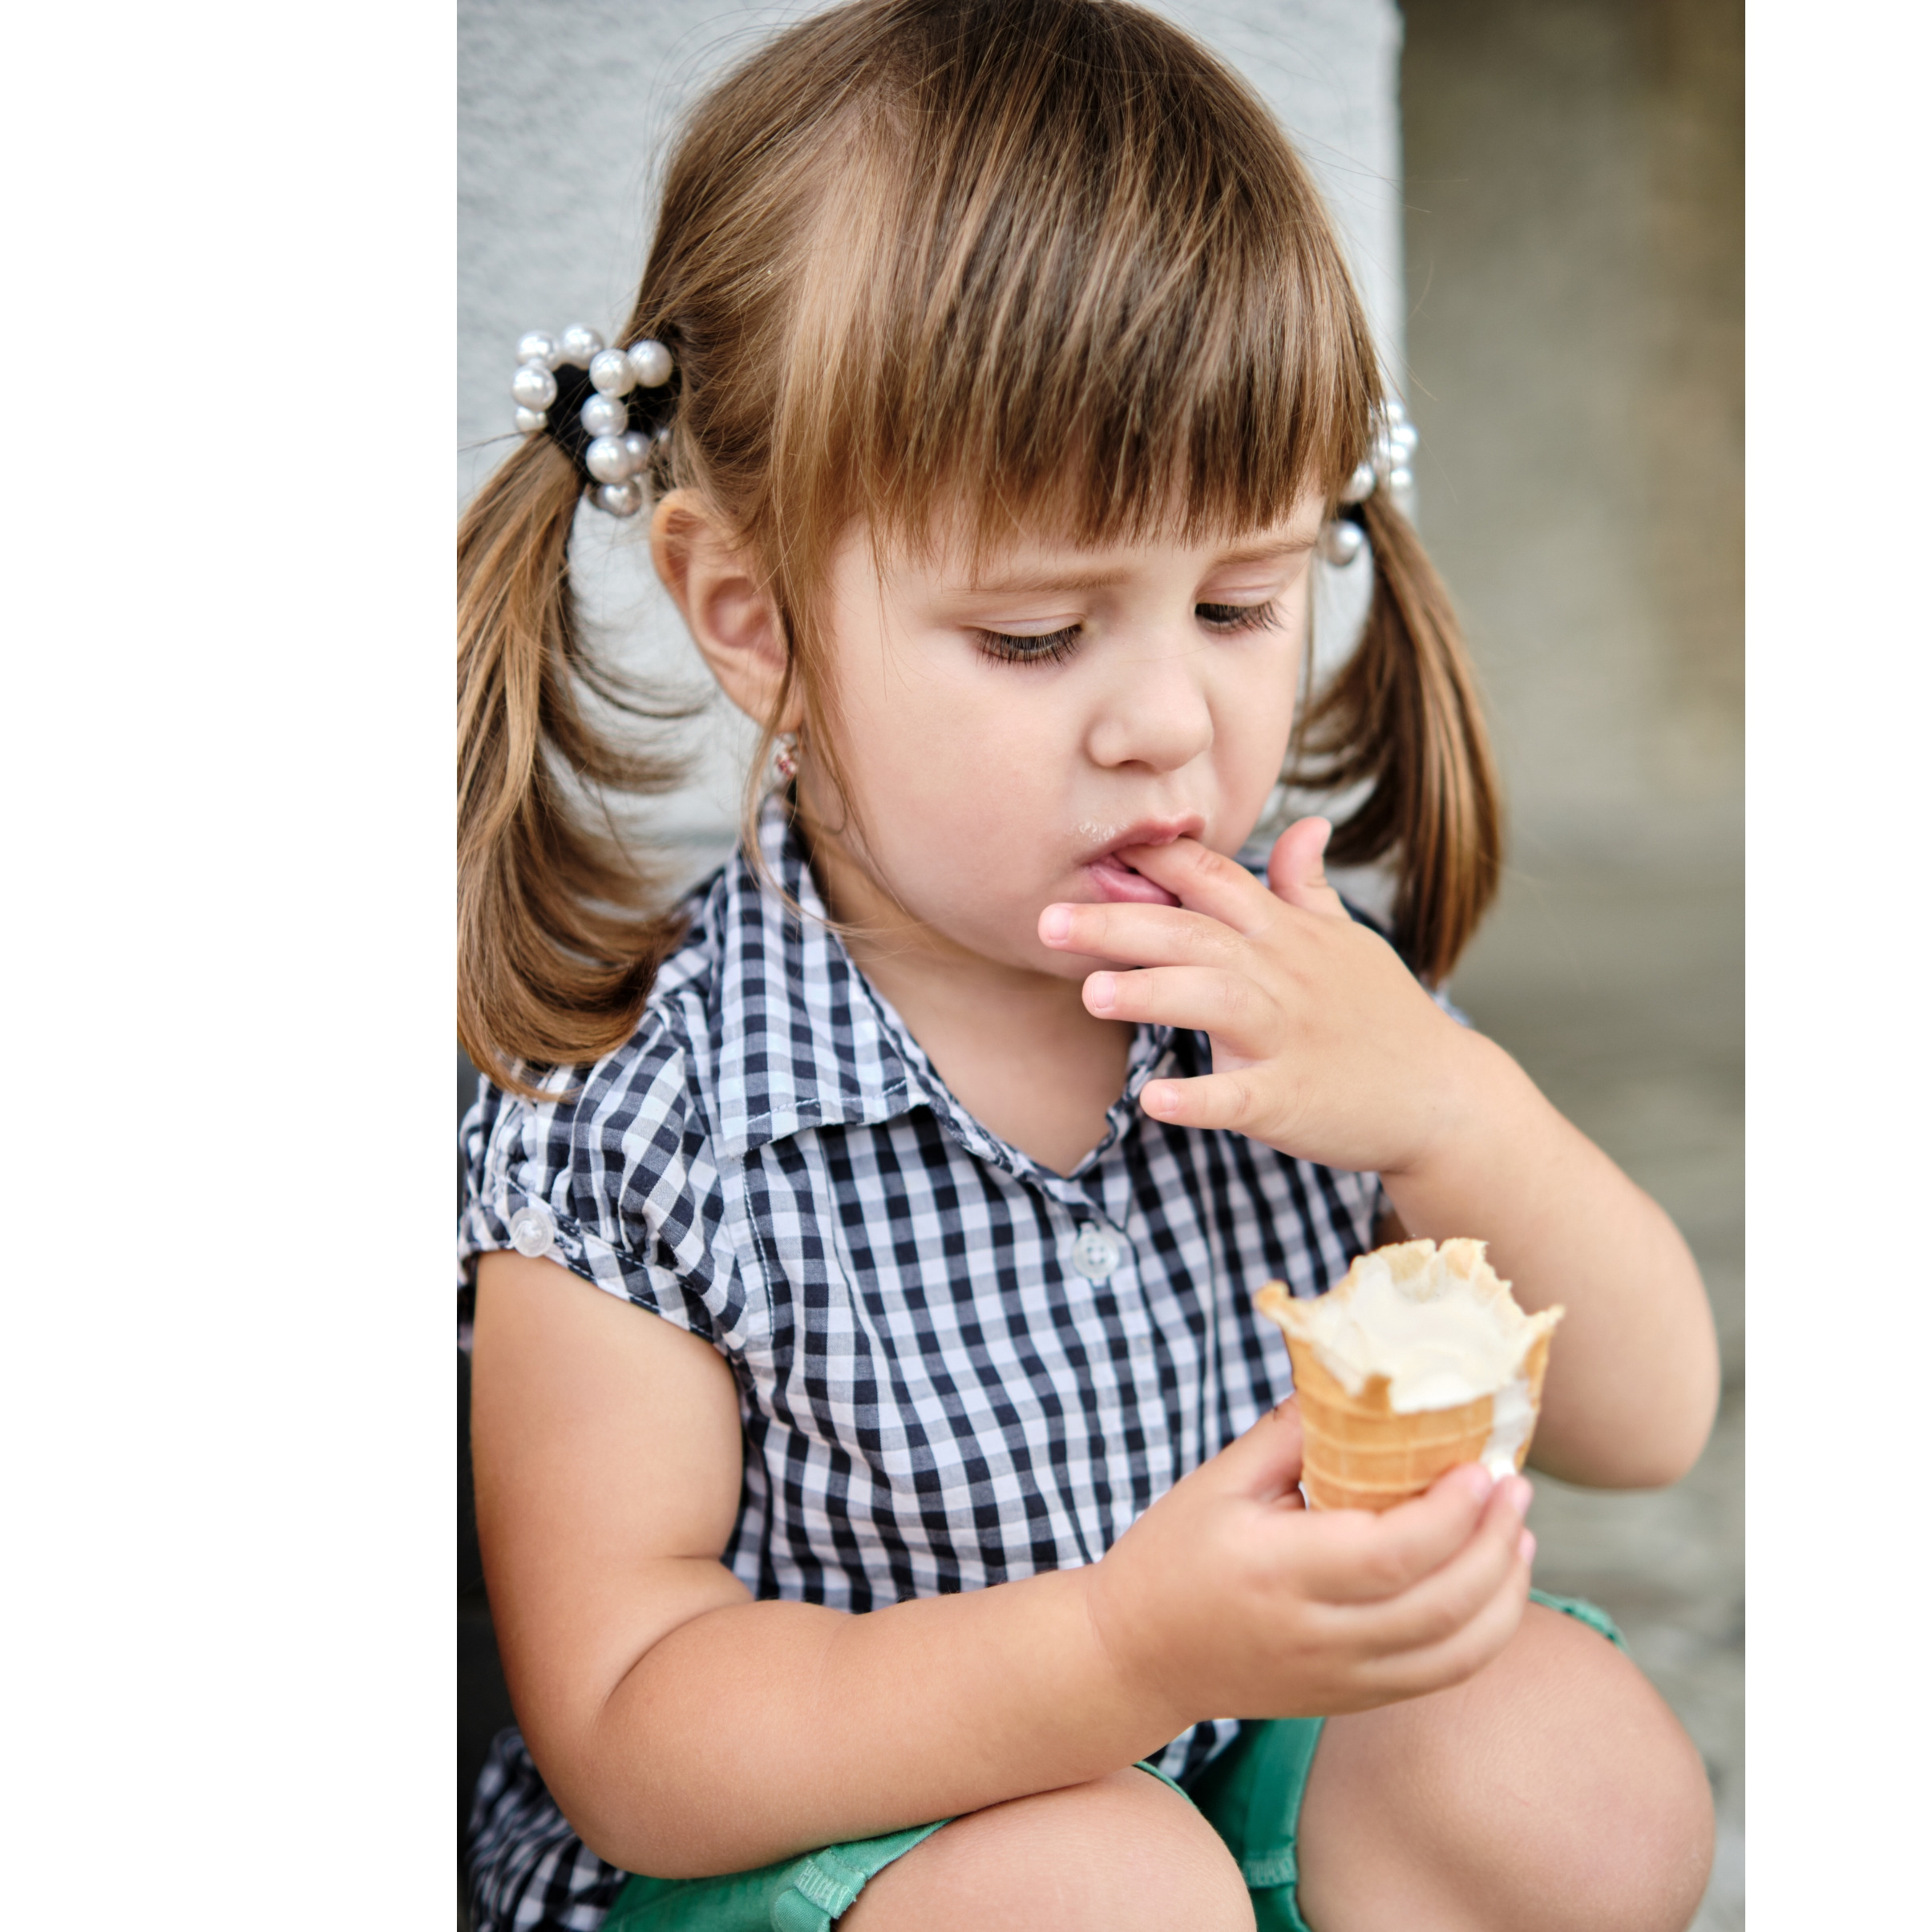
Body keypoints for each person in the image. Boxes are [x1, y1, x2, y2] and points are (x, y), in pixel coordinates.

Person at [456, 2, 1720, 1926]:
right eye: (1036, 636)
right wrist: (1121, 1646)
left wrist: (1452, 1110)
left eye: (1236, 601)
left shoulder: (1297, 992)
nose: (1164, 722)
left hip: (1223, 1779)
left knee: (1571, 1775)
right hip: (837, 1857)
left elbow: (1647, 1416)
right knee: (1095, 1887)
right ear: (751, 613)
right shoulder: (643, 1114)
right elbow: (631, 1725)